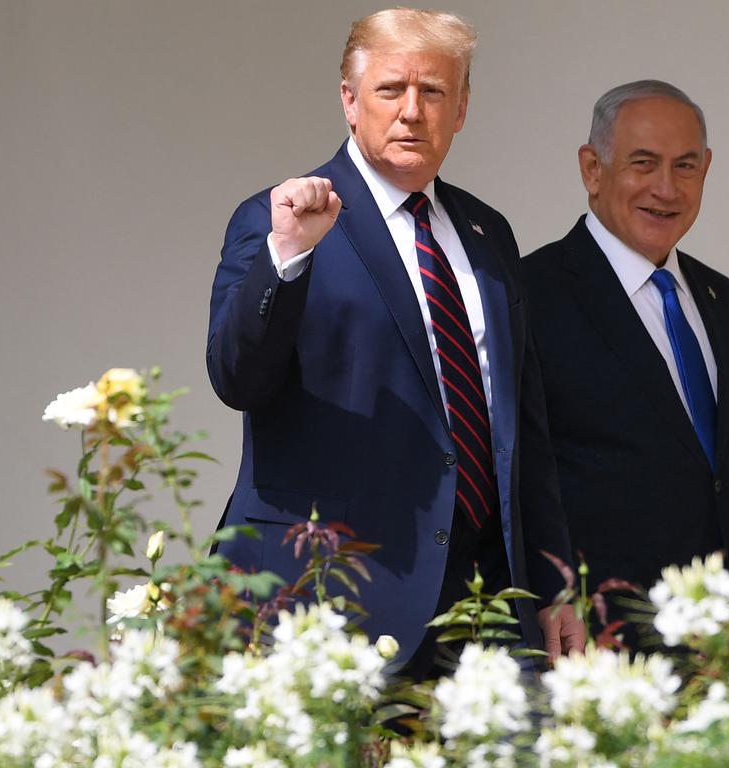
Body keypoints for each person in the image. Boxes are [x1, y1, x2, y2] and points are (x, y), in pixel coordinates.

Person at [206, 8, 583, 677]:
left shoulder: (486, 234)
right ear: (350, 101)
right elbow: (238, 379)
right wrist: (287, 258)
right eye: (391, 90)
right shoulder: (283, 219)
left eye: (433, 91)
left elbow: (525, 428)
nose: (412, 111)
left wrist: (554, 584)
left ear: (461, 108)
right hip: (331, 605)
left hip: (487, 610)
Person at [521, 80, 729, 639]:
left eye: (685, 167)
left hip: (725, 655)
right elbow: (517, 486)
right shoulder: (527, 297)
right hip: (600, 655)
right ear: (592, 168)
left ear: (706, 170)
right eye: (643, 164)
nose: (666, 189)